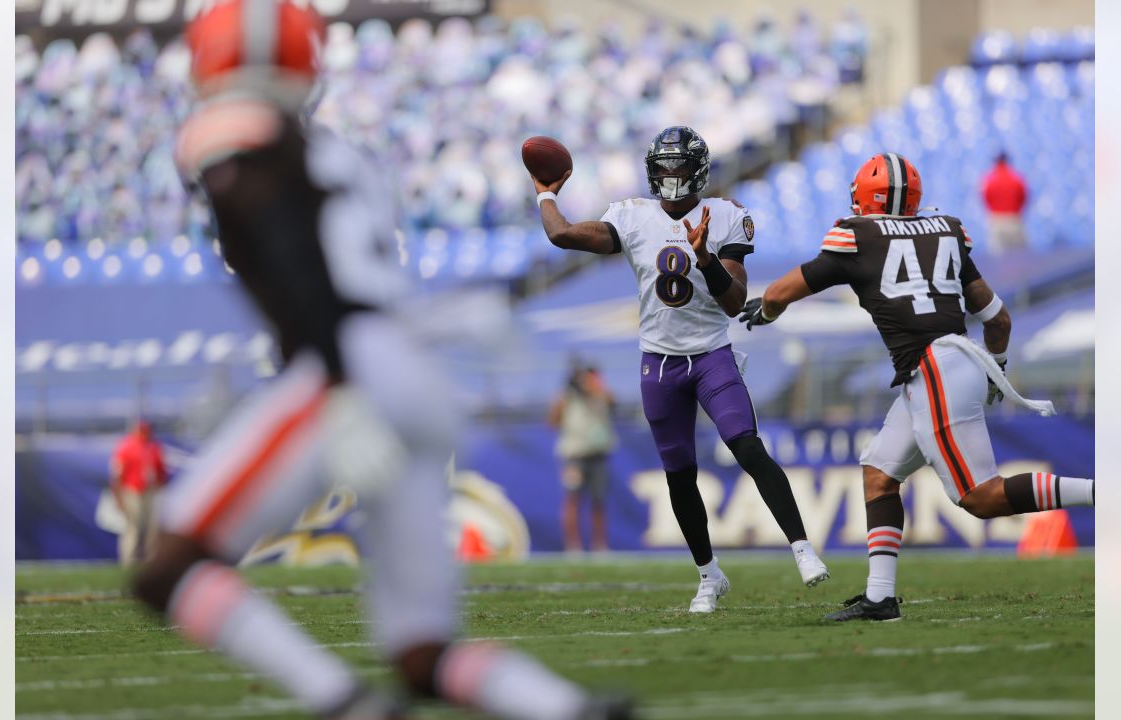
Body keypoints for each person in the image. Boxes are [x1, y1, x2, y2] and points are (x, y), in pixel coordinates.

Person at [130, 3, 632, 719]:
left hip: (350, 364)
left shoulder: (240, 131)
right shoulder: (338, 152)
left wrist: (332, 384)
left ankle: (344, 704)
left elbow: (296, 263)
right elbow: (349, 271)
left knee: (166, 570)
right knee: (421, 651)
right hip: (414, 372)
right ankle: (565, 710)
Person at [741, 152, 1095, 622]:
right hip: (946, 364)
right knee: (879, 472)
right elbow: (1000, 319)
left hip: (933, 369)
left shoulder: (857, 234)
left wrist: (766, 310)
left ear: (865, 197)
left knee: (980, 497)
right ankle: (880, 598)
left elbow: (782, 292)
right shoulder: (946, 230)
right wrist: (998, 366)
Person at [532, 125, 829, 614]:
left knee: (746, 445)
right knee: (678, 474)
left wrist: (707, 257)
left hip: (712, 353)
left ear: (698, 172)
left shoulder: (726, 216)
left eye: (679, 167)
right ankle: (709, 576)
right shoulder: (631, 217)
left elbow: (734, 303)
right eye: (664, 167)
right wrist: (545, 193)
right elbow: (562, 234)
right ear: (652, 172)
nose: (671, 176)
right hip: (660, 362)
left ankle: (802, 548)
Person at [548, 362, 616, 553]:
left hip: (598, 455)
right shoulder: (567, 398)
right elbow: (551, 422)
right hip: (574, 456)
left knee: (599, 501)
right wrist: (565, 395)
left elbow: (612, 401)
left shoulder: (600, 394)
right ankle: (573, 547)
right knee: (572, 500)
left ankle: (599, 546)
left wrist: (594, 388)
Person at [109, 420, 168, 565]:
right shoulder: (126, 447)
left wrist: (161, 491)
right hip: (132, 491)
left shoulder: (154, 447)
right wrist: (117, 497)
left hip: (151, 492)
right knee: (133, 528)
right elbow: (116, 474)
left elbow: (161, 472)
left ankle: (151, 562)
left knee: (152, 529)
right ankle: (128, 562)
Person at [981, 152, 1028, 254]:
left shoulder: (990, 180)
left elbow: (986, 198)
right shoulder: (1016, 178)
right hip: (1014, 220)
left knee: (998, 259)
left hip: (997, 221)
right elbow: (1023, 197)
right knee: (1020, 257)